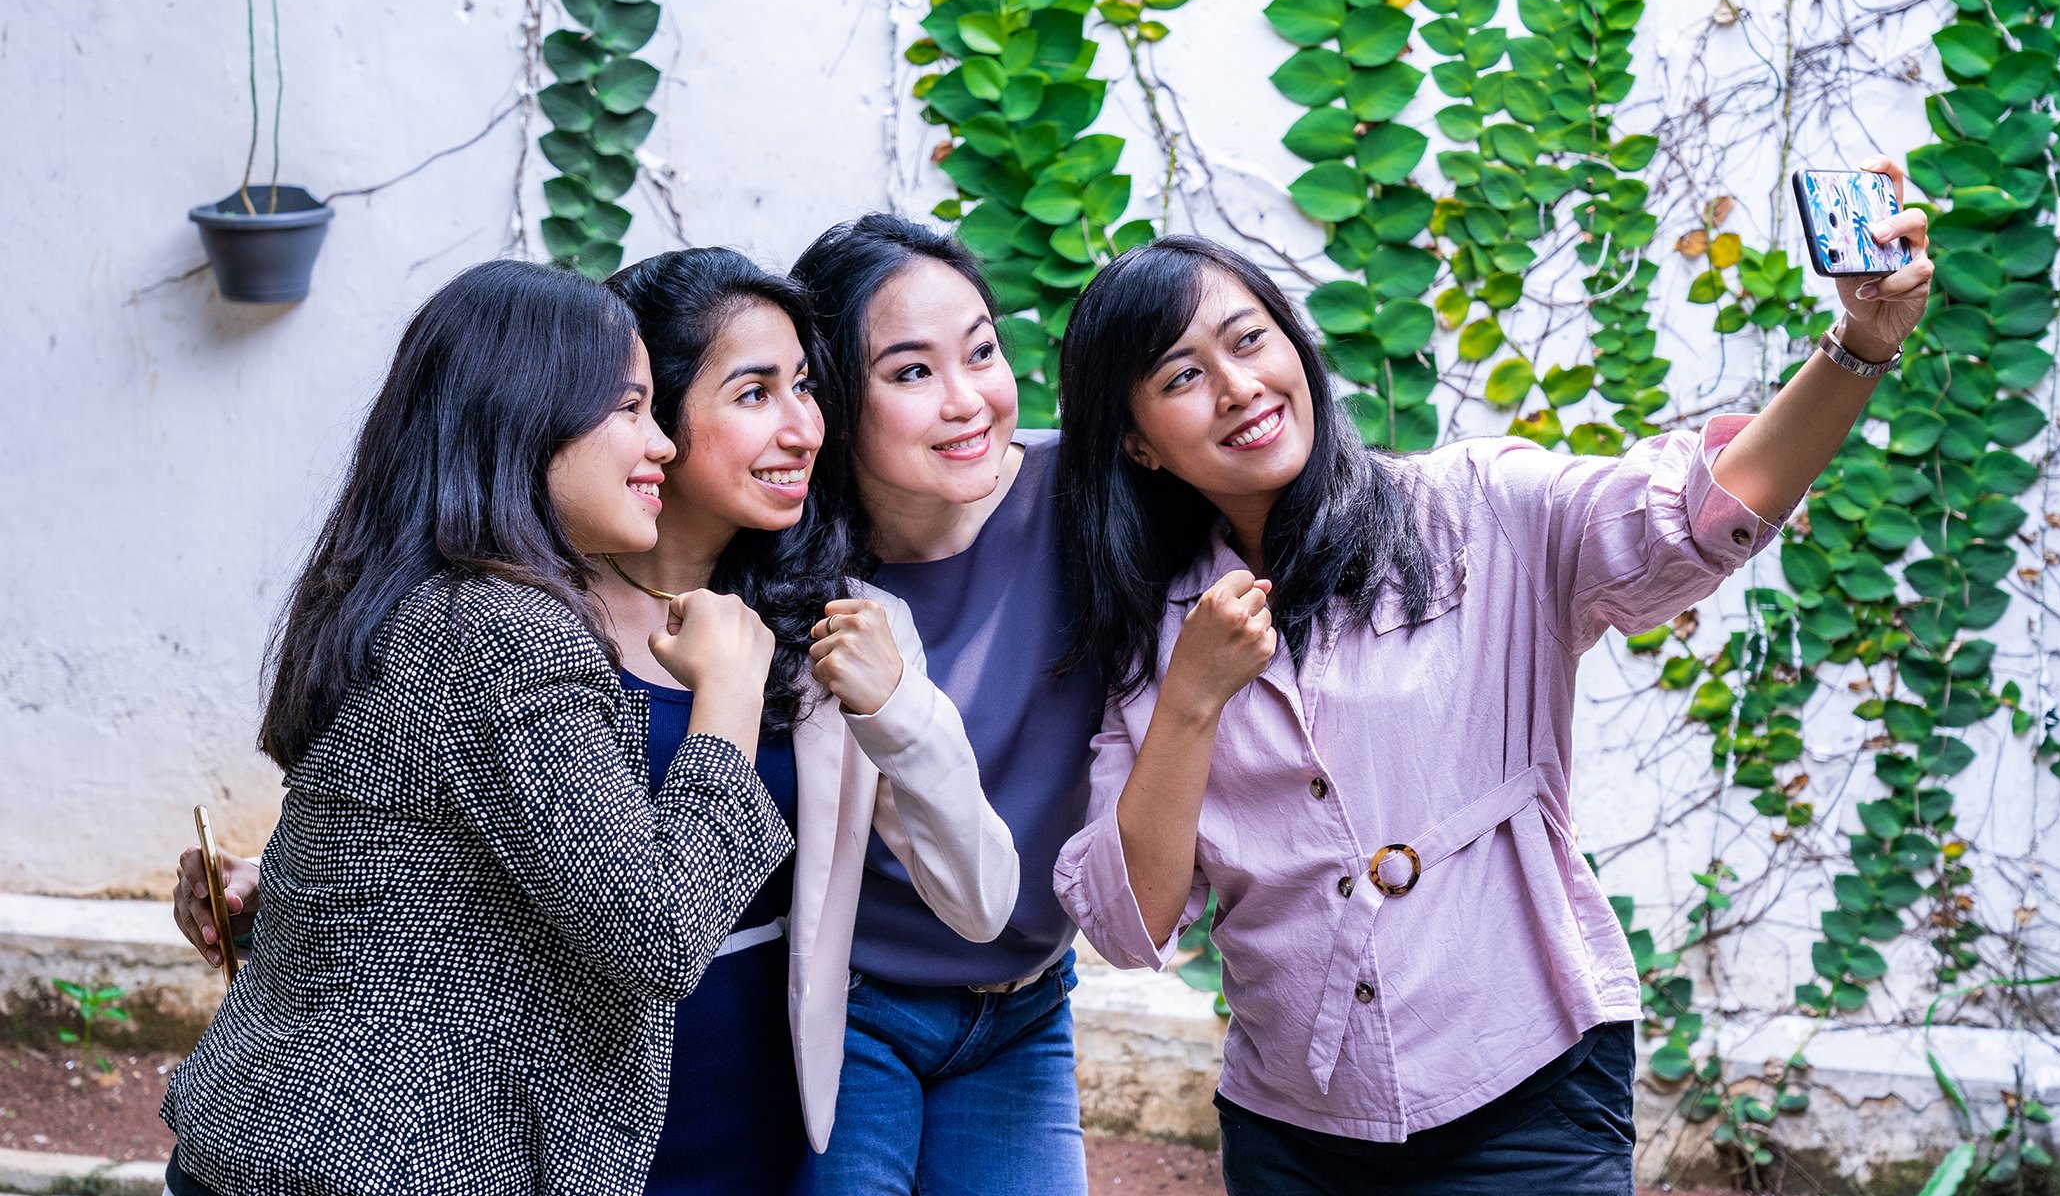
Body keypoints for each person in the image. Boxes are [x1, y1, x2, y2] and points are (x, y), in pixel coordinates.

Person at [1051, 158, 1934, 1193]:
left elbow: (1701, 510)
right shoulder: (1149, 633)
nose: (1238, 385)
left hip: (1527, 1086)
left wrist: (1857, 348)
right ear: (1139, 443)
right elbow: (1130, 919)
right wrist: (1193, 699)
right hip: (1294, 1120)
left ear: (1294, 344)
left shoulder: (1476, 509)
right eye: (1180, 375)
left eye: (1249, 340)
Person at [176, 249, 1020, 1196]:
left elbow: (423, 846)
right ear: (529, 420)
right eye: (633, 410)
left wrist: (289, 889)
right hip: (450, 1137)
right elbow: (643, 927)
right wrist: (728, 702)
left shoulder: (823, 623)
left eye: (807, 387)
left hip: (701, 1101)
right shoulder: (512, 624)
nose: (654, 440)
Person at [788, 214, 1104, 1195]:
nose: (968, 400)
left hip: (1024, 1003)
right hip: (853, 1005)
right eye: (912, 371)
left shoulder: (1085, 499)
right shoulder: (799, 567)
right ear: (836, 398)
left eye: (981, 350)